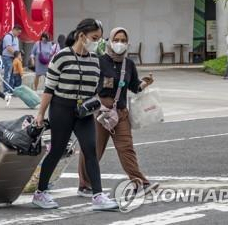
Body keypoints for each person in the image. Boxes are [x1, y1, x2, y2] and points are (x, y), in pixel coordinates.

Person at [32, 18, 118, 211]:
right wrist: (40, 114)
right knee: (57, 151)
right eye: (94, 38)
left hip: (84, 112)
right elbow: (49, 89)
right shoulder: (61, 57)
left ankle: (97, 195)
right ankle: (40, 193)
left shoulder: (95, 61)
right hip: (61, 108)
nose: (97, 42)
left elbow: (93, 90)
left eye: (99, 38)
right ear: (82, 35)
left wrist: (98, 107)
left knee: (90, 150)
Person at [77, 27, 159, 198]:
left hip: (120, 113)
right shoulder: (98, 61)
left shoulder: (128, 64)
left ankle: (140, 183)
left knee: (126, 148)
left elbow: (134, 86)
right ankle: (85, 185)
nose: (120, 44)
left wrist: (144, 83)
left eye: (123, 40)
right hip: (99, 113)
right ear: (109, 41)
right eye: (117, 40)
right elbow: (88, 84)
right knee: (92, 150)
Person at [1, 25, 22, 93]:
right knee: (8, 74)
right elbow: (9, 48)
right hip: (7, 57)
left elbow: (17, 49)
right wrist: (17, 55)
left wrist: (19, 56)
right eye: (18, 32)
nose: (19, 34)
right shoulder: (8, 37)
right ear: (14, 30)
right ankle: (6, 90)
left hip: (14, 58)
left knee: (13, 74)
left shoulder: (16, 38)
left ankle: (11, 89)